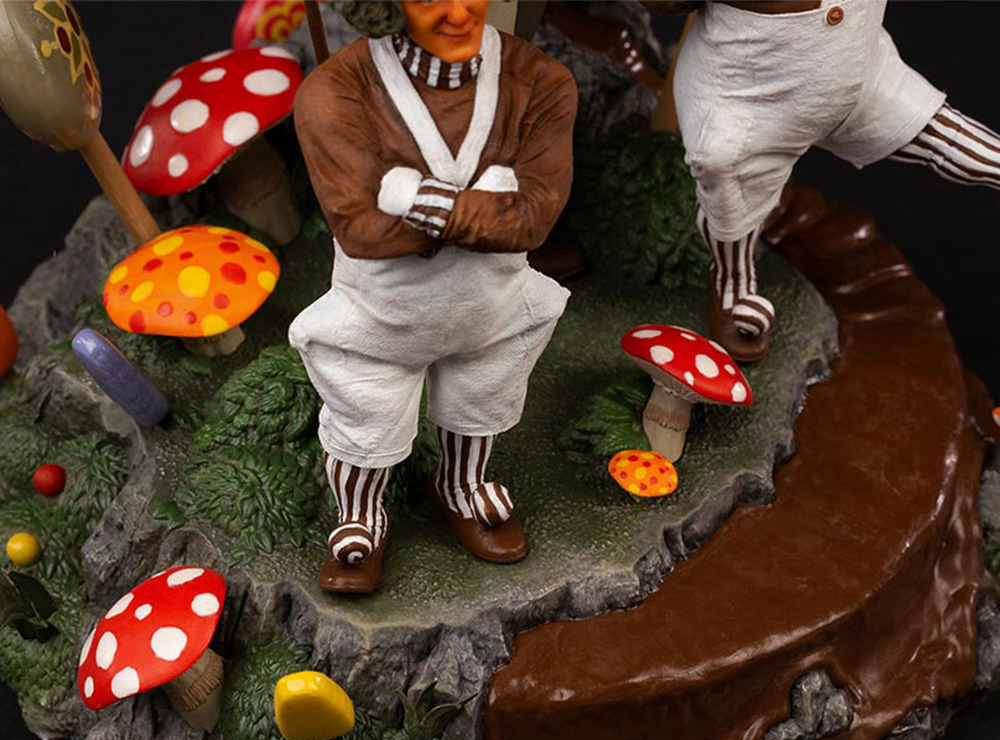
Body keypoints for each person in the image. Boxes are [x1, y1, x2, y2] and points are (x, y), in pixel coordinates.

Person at [289, 0, 577, 593]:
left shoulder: (540, 81)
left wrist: (418, 199)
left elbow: (533, 220)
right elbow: (362, 229)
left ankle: (460, 486)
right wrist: (492, 201)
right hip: (379, 317)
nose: (457, 13)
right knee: (365, 415)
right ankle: (361, 515)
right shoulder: (336, 90)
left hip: (493, 309)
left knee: (483, 398)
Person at [660, 0, 1000, 362]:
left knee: (943, 135)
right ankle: (733, 282)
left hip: (860, 76)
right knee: (730, 191)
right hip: (749, 99)